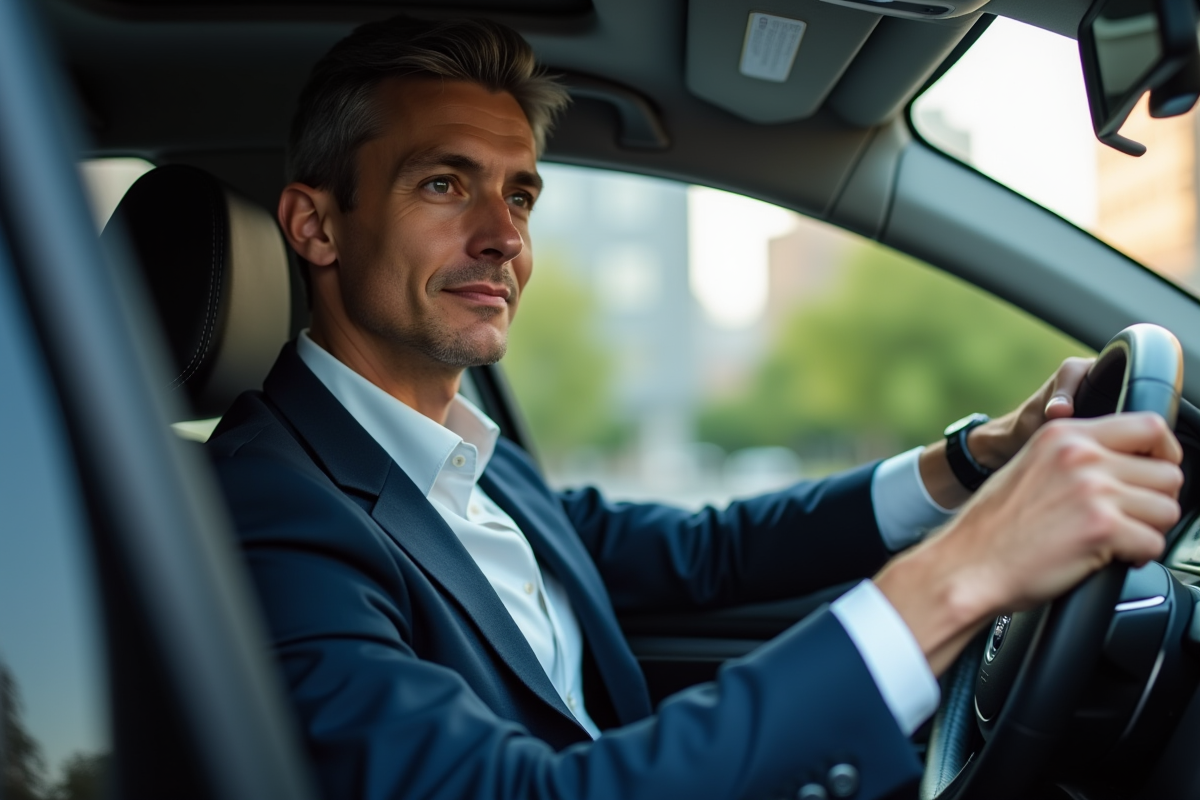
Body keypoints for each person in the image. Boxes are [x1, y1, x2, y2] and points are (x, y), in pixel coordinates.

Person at [207, 14, 1184, 800]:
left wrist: (978, 456)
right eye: (444, 183)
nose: (504, 236)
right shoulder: (265, 509)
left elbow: (712, 552)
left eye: (522, 195)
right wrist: (966, 572)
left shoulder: (465, 458)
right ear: (317, 224)